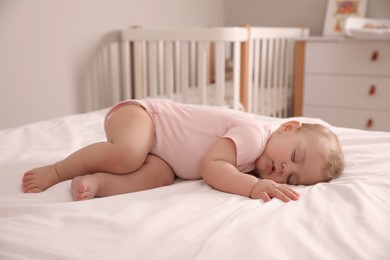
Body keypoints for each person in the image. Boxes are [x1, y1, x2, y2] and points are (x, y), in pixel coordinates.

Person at [21, 99, 344, 203]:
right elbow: (212, 166)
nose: (285, 170)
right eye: (295, 157)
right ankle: (59, 170)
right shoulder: (253, 134)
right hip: (144, 116)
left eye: (295, 178)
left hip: (164, 156)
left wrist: (253, 177)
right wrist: (254, 187)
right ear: (287, 127)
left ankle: (96, 184)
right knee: (129, 154)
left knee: (159, 176)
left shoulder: (249, 164)